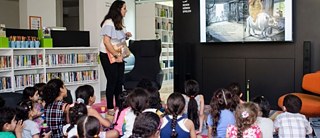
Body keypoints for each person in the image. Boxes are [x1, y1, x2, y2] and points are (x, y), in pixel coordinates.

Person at [99, 0, 132, 115]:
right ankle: (110, 107)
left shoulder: (120, 23)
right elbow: (107, 42)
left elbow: (118, 39)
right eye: (124, 8)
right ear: (118, 9)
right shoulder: (108, 22)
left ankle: (119, 105)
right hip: (107, 54)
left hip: (118, 54)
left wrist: (126, 36)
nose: (126, 10)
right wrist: (116, 55)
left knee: (120, 80)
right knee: (112, 80)